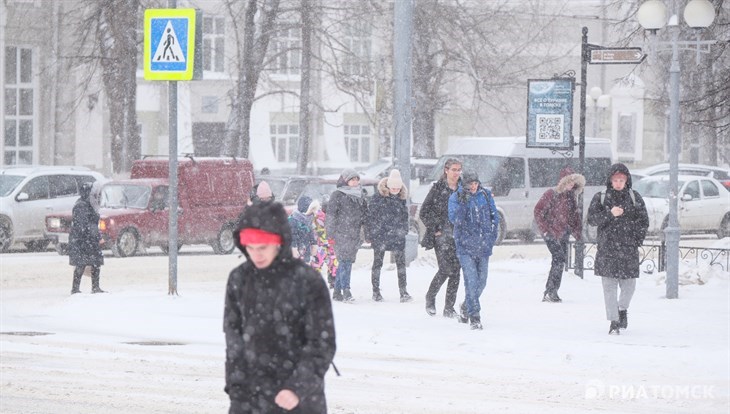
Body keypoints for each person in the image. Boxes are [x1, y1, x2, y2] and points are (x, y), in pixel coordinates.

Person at [223, 200, 336, 413]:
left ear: (279, 242)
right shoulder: (239, 279)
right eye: (250, 247)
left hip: (299, 399)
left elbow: (322, 343)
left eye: (263, 247)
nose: (256, 254)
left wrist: (296, 388)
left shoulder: (308, 281)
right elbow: (234, 340)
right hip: (251, 398)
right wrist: (237, 392)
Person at [587, 163, 649, 335]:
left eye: (622, 179)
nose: (619, 183)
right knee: (609, 288)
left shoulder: (634, 197)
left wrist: (636, 239)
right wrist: (609, 214)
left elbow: (644, 221)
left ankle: (622, 309)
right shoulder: (601, 197)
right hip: (607, 250)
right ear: (610, 180)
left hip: (628, 250)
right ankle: (614, 321)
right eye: (615, 180)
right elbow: (591, 219)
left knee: (629, 286)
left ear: (627, 180)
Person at [448, 171, 499, 330]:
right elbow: (455, 220)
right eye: (470, 183)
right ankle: (475, 316)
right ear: (465, 184)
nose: (474, 186)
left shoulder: (485, 195)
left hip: (483, 246)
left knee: (481, 281)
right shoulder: (456, 198)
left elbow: (494, 216)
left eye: (476, 183)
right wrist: (463, 205)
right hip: (465, 247)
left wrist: (491, 237)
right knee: (471, 281)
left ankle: (465, 306)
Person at [533, 166, 586, 303]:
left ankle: (551, 291)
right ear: (563, 182)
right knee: (559, 258)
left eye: (573, 182)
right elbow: (538, 210)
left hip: (563, 233)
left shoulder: (571, 197)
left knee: (558, 261)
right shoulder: (551, 194)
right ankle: (551, 291)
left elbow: (574, 218)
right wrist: (545, 229)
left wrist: (578, 234)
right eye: (569, 182)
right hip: (551, 233)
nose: (571, 185)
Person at [420, 158, 462, 318]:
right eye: (454, 169)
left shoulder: (462, 189)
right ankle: (430, 297)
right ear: (446, 170)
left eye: (459, 170)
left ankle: (449, 307)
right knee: (445, 269)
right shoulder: (438, 189)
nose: (457, 173)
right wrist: (436, 227)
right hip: (441, 235)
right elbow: (424, 211)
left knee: (456, 271)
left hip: (458, 235)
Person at [365, 169, 412, 303]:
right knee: (378, 263)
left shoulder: (401, 198)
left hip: (397, 236)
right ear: (388, 186)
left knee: (401, 265)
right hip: (380, 235)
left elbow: (404, 217)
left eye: (398, 188)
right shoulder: (377, 198)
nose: (395, 190)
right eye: (393, 188)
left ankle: (403, 292)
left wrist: (404, 230)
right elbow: (371, 217)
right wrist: (370, 234)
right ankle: (376, 292)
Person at [326, 168, 368, 302]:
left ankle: (337, 291)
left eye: (356, 179)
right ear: (345, 181)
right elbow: (331, 215)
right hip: (340, 234)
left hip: (354, 234)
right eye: (352, 179)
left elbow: (365, 216)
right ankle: (346, 291)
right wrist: (330, 234)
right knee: (345, 262)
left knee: (345, 262)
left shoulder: (360, 195)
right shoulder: (337, 195)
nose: (355, 182)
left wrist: (366, 232)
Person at [69, 182, 105, 294]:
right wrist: (94, 236)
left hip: (89, 239)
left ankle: (95, 287)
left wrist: (97, 236)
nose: (97, 198)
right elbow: (83, 226)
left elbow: (91, 225)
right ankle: (75, 289)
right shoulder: (81, 206)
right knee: (81, 263)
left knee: (95, 263)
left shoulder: (88, 205)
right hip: (82, 240)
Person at [308, 200, 338, 289]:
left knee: (331, 263)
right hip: (321, 245)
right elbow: (316, 232)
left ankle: (332, 280)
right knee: (320, 263)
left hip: (326, 245)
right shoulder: (317, 217)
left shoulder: (329, 217)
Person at [288, 196, 316, 262]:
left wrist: (314, 243)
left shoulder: (308, 219)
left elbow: (311, 232)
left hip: (305, 250)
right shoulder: (293, 220)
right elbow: (292, 236)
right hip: (296, 251)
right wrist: (294, 248)